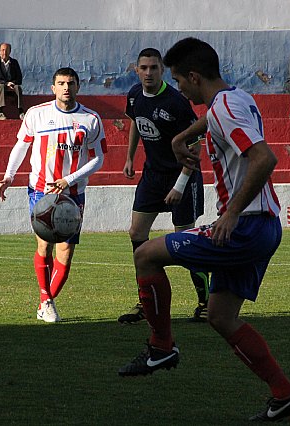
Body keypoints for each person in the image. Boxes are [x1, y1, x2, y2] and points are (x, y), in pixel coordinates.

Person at [118, 38, 290, 422]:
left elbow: (263, 158)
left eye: (178, 80)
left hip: (246, 227)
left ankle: (161, 346)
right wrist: (180, 136)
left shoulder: (227, 107)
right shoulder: (234, 98)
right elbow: (217, 118)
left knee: (145, 254)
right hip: (263, 226)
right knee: (221, 316)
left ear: (193, 76)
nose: (179, 88)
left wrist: (232, 213)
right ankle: (285, 394)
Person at [0, 67, 107, 323]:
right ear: (52, 87)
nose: (66, 87)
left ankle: (46, 301)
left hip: (73, 193)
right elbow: (20, 147)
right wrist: (8, 176)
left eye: (71, 83)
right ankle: (46, 301)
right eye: (61, 83)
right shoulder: (36, 115)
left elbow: (98, 159)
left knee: (65, 251)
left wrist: (69, 179)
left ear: (78, 86)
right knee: (44, 244)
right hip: (41, 191)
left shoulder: (91, 119)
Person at [117, 48, 208, 325]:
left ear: (161, 70)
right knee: (136, 232)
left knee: (187, 241)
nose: (148, 73)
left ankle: (206, 301)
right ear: (137, 70)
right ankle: (146, 301)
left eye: (153, 68)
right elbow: (136, 123)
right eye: (143, 68)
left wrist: (180, 184)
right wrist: (130, 156)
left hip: (182, 176)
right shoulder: (134, 95)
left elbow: (195, 147)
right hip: (152, 175)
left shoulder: (176, 102)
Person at [0, 42, 25, 120]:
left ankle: (21, 112)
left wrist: (12, 84)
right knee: (1, 86)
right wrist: (6, 84)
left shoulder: (14, 62)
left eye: (7, 50)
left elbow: (19, 78)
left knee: (18, 87)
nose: (4, 52)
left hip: (11, 85)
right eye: (3, 50)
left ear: (10, 51)